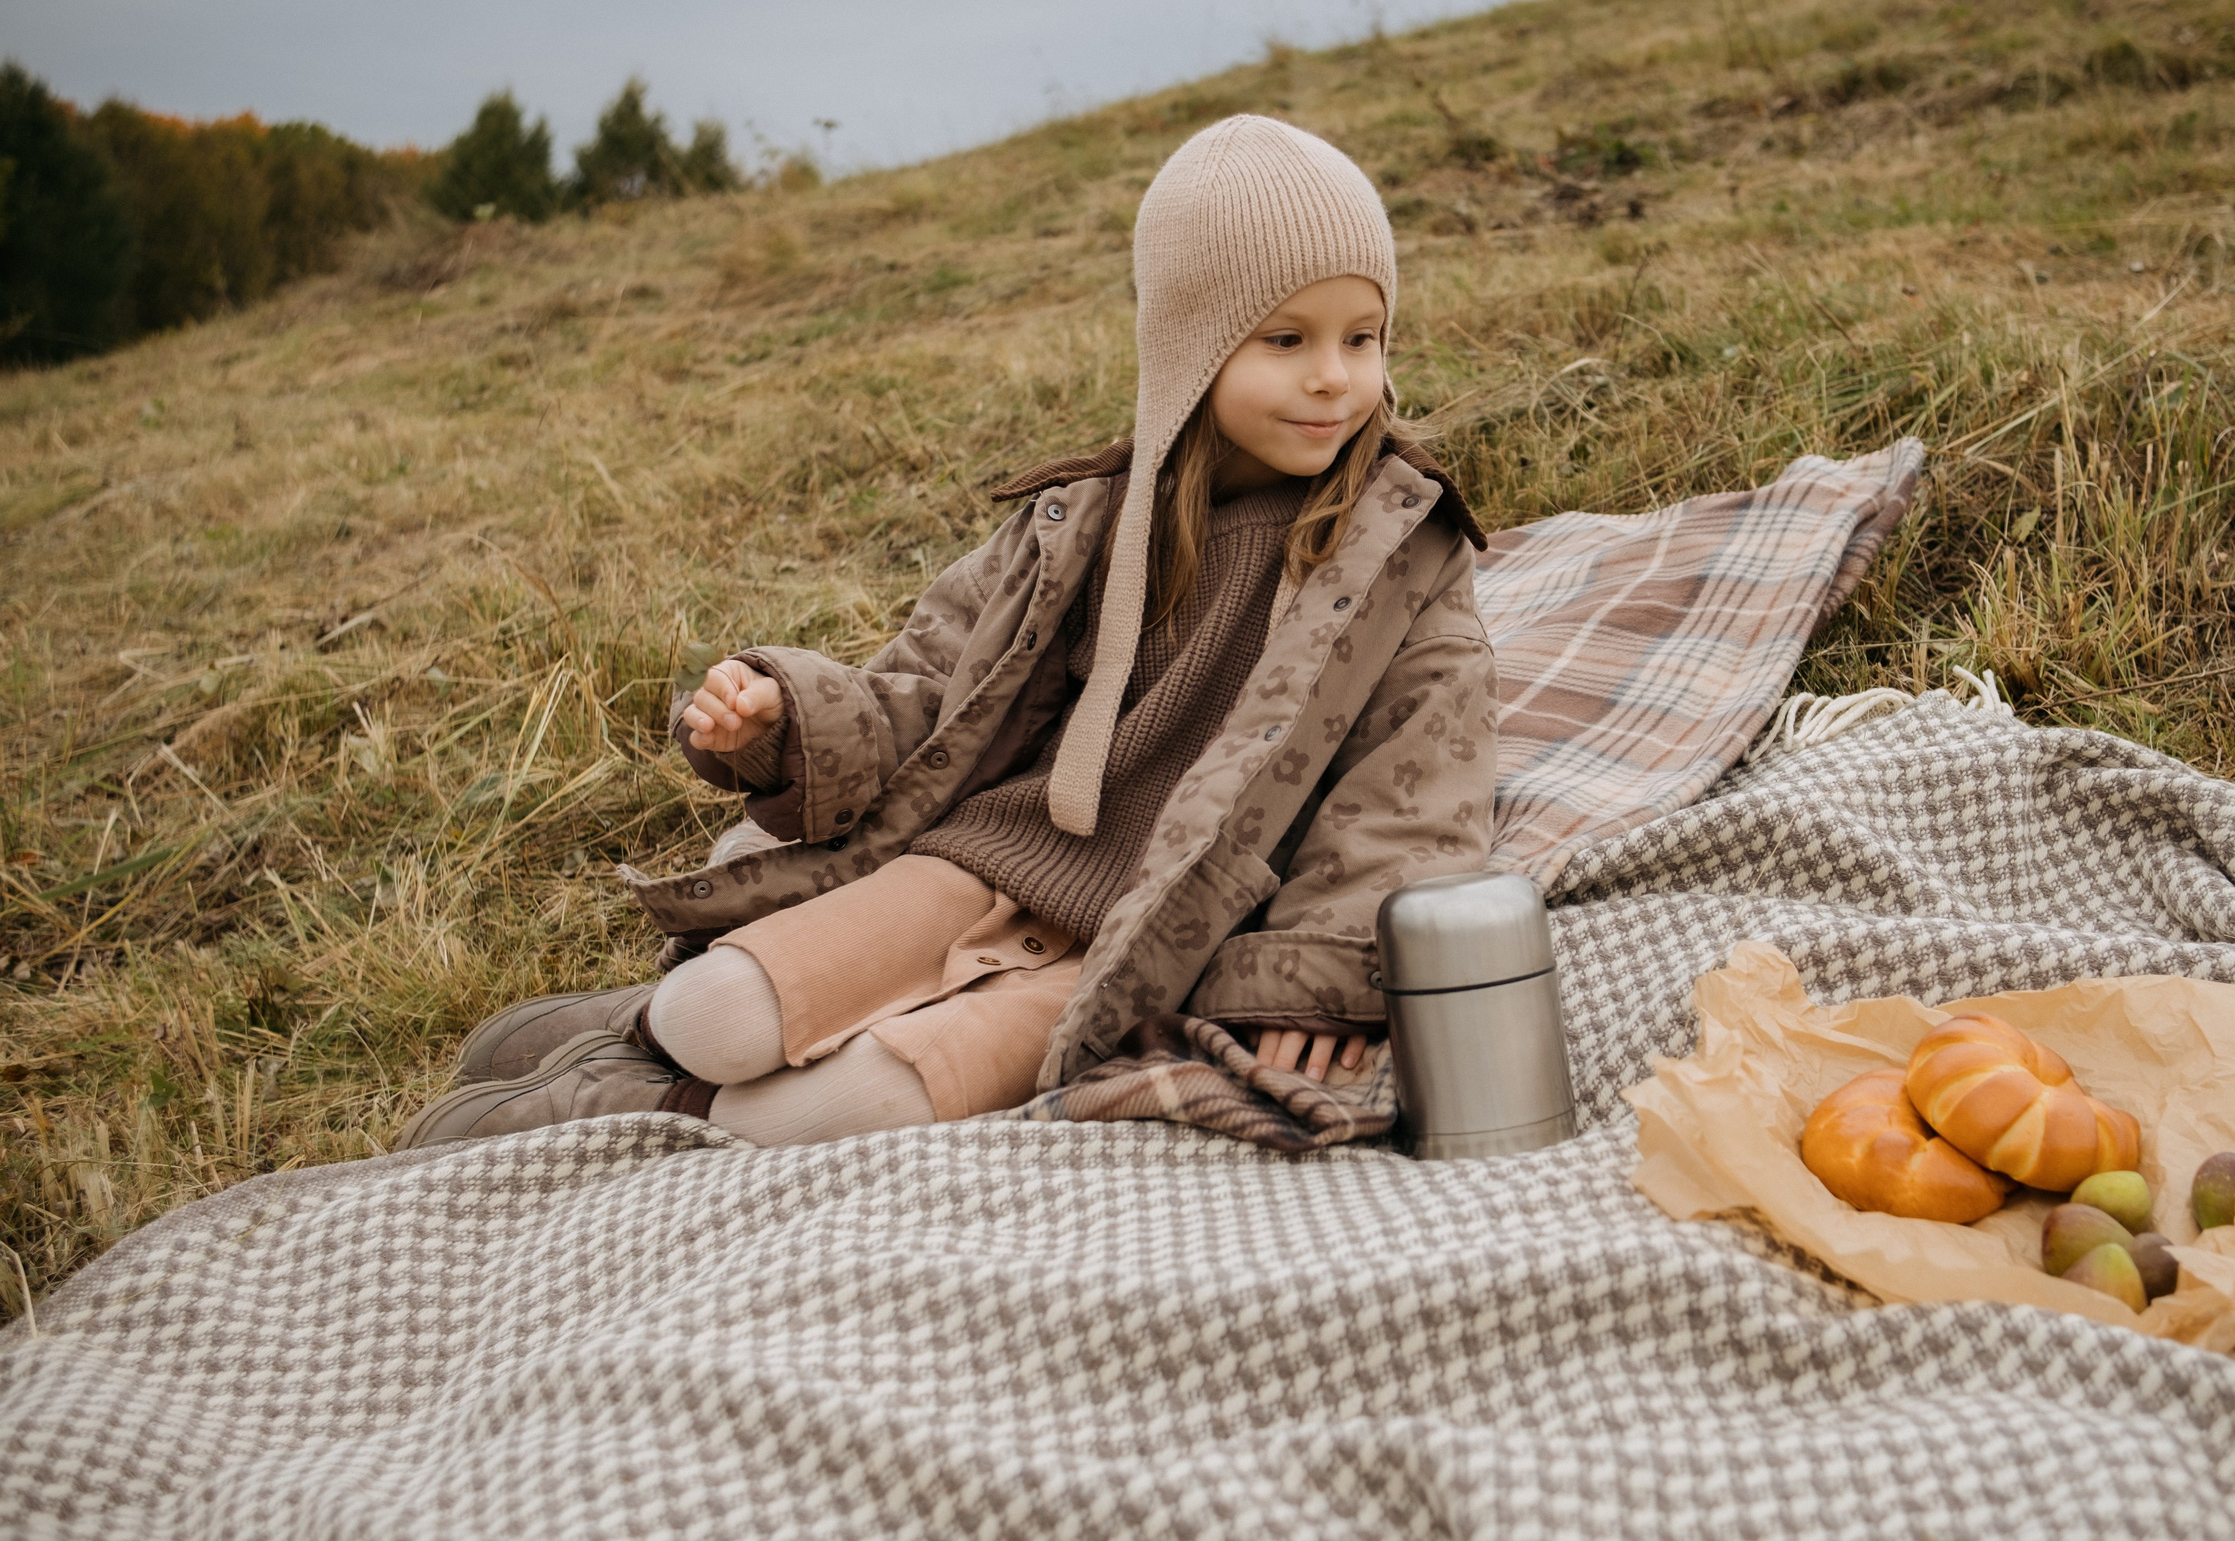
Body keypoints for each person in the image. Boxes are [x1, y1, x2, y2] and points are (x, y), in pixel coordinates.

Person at [397, 115, 1497, 1151]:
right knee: (715, 1011)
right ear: (1190, 348)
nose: (1333, 378)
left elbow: (1412, 796)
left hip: (1153, 936)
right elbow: (928, 690)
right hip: (987, 859)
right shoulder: (1083, 525)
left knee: (841, 1106)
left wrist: (1316, 971)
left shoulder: (1403, 554)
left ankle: (638, 1102)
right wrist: (783, 720)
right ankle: (650, 1038)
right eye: (1286, 338)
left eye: (1363, 337)